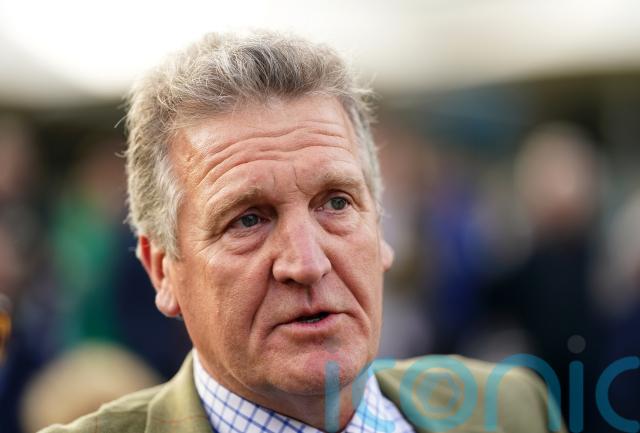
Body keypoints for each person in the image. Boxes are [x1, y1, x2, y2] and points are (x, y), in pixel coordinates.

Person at [40, 31, 564, 433]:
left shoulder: (511, 409)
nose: (308, 262)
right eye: (248, 219)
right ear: (162, 271)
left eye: (336, 203)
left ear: (380, 230)